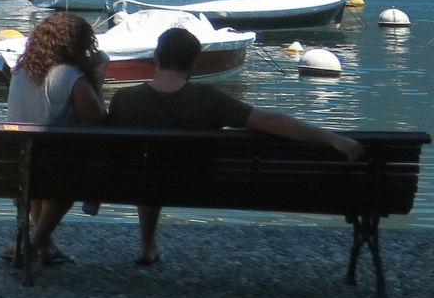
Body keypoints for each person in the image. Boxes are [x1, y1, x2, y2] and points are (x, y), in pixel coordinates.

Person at [107, 25, 364, 266]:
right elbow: (270, 121)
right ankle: (148, 245)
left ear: (156, 56)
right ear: (194, 62)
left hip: (137, 183)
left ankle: (146, 246)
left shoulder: (125, 99)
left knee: (151, 170)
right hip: (199, 185)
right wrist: (331, 137)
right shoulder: (208, 97)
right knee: (160, 171)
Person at [2, 11, 107, 266]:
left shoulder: (19, 72)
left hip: (18, 169)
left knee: (43, 170)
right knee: (65, 177)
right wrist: (98, 83)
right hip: (58, 171)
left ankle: (42, 246)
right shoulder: (72, 77)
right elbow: (96, 124)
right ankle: (33, 246)